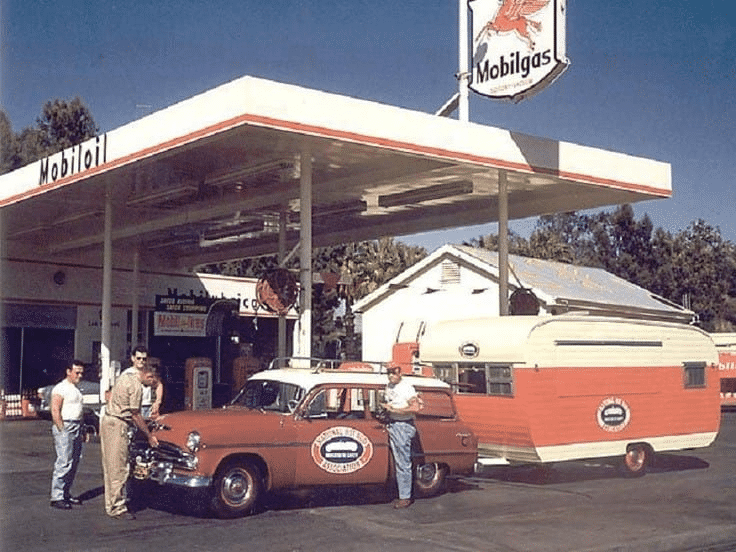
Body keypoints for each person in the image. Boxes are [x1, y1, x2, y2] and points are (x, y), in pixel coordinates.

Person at [100, 346, 158, 520]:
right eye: (151, 378)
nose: (153, 383)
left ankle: (111, 503)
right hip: (118, 424)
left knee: (110, 467)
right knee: (119, 468)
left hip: (109, 420)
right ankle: (117, 507)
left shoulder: (125, 376)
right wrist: (149, 435)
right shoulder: (136, 386)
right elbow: (135, 414)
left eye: (144, 359)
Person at [381, 363, 422, 509]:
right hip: (392, 423)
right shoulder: (389, 386)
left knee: (403, 462)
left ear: (400, 373)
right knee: (394, 460)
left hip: (403, 426)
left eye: (394, 372)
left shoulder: (406, 388)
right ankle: (399, 491)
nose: (391, 375)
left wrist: (394, 410)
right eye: (389, 372)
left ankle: (405, 497)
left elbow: (415, 408)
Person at [49, 360, 86, 510]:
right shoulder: (60, 388)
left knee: (74, 462)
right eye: (77, 372)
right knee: (64, 462)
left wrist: (82, 429)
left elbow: (78, 411)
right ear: (68, 372)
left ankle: (65, 493)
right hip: (65, 426)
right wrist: (62, 430)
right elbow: (55, 410)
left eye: (81, 373)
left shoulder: (76, 389)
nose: (80, 375)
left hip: (77, 426)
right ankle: (56, 496)